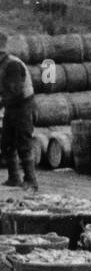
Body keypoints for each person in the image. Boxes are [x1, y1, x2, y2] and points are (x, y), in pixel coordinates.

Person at [0, 34, 37, 191]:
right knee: (7, 142)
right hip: (11, 106)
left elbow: (15, 91)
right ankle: (14, 177)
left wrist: (0, 102)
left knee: (23, 142)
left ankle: (31, 180)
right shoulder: (2, 65)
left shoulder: (12, 65)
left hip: (23, 106)